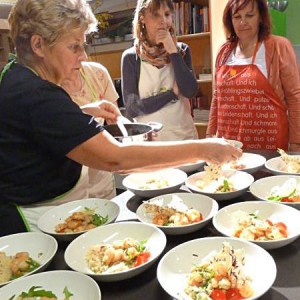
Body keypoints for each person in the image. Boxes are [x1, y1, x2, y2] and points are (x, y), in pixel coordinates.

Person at [0, 0, 242, 236]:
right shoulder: (38, 95)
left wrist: (81, 112)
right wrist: (204, 149)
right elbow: (116, 159)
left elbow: (34, 126)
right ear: (38, 45)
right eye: (74, 46)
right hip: (30, 225)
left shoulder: (15, 76)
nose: (83, 56)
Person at [206, 0, 300, 151]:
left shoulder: (278, 46)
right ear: (230, 20)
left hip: (269, 142)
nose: (243, 22)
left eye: (249, 15)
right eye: (237, 17)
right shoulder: (224, 51)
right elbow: (217, 97)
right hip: (229, 142)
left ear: (260, 17)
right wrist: (210, 134)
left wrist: (296, 143)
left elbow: (295, 97)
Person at [121, 0, 198, 141]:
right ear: (142, 17)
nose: (163, 21)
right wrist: (172, 94)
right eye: (156, 15)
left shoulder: (182, 50)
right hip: (149, 142)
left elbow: (190, 91)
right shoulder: (131, 57)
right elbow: (133, 108)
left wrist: (173, 52)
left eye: (167, 14)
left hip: (183, 138)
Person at [61, 61, 119, 199]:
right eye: (73, 46)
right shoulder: (43, 87)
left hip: (101, 175)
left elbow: (115, 124)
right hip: (68, 182)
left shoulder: (97, 73)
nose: (83, 55)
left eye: (82, 45)